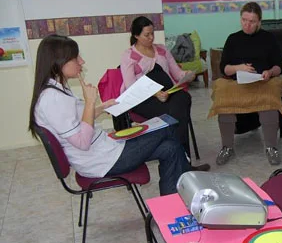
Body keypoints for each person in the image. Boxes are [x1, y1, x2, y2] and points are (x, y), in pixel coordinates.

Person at [30, 34, 205, 196]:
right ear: (59, 62)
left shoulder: (56, 89)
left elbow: (77, 120)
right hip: (102, 161)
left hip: (104, 149)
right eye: (76, 58)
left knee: (171, 148)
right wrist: (90, 104)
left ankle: (172, 206)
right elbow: (82, 143)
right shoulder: (52, 99)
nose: (81, 62)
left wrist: (100, 107)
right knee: (168, 125)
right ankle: (189, 183)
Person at [120, 16, 208, 169]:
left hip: (168, 94)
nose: (151, 38)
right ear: (136, 36)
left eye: (152, 33)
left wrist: (188, 74)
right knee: (177, 112)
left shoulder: (162, 50)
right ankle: (185, 164)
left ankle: (181, 164)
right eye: (146, 35)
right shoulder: (129, 56)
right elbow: (131, 86)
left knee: (182, 98)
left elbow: (177, 73)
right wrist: (155, 94)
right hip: (143, 99)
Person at [208, 1, 282, 166]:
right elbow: (225, 69)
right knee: (222, 93)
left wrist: (270, 72)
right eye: (244, 20)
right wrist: (239, 68)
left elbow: (279, 66)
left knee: (271, 95)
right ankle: (227, 147)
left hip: (262, 82)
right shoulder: (233, 39)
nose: (247, 24)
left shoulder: (268, 38)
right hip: (238, 83)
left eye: (252, 21)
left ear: (259, 22)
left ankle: (271, 147)